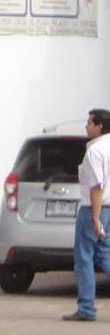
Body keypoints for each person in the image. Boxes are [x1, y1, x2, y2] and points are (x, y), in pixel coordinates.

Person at [63, 107, 110, 322]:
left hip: (94, 209)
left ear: (99, 126)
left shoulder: (95, 151)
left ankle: (87, 308)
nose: (86, 126)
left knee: (84, 258)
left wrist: (95, 217)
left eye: (90, 123)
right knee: (104, 256)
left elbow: (96, 186)